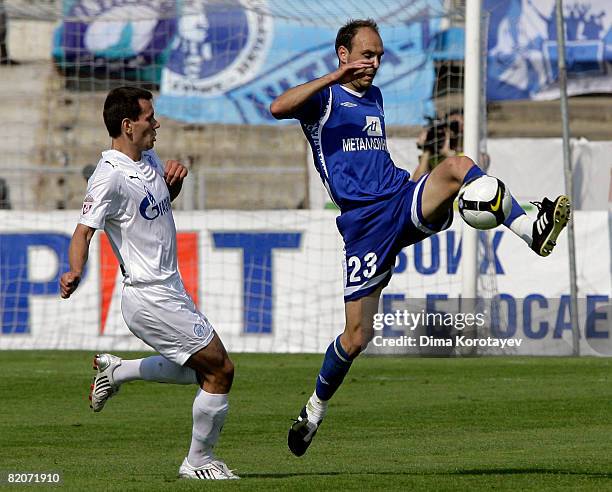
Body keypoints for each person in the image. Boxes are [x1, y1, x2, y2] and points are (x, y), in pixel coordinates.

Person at [270, 18, 570, 457]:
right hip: (363, 225)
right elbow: (277, 108)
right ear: (343, 54)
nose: (374, 63)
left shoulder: (374, 97)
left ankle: (531, 229)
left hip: (398, 198)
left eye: (379, 56)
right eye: (367, 54)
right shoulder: (324, 98)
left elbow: (375, 159)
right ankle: (314, 409)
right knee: (356, 336)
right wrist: (334, 78)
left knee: (457, 166)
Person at [60, 86, 238, 480]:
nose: (156, 123)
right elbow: (83, 233)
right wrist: (74, 271)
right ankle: (198, 462)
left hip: (170, 287)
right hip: (147, 295)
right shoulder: (107, 177)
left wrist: (171, 185)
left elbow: (152, 209)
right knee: (221, 370)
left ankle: (117, 371)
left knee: (200, 371)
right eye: (149, 117)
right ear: (128, 125)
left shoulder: (149, 158)